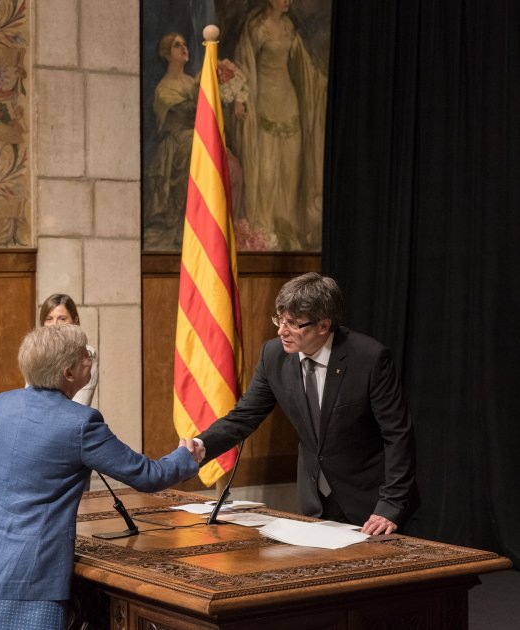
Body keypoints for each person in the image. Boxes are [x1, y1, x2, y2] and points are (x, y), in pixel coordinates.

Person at [0, 325, 203, 630]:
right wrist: (184, 458)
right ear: (68, 373)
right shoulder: (81, 422)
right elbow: (146, 476)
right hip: (31, 576)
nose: (91, 357)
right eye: (85, 353)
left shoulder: (0, 404)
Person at [185, 272, 417, 535]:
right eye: (280, 319)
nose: (281, 331)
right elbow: (243, 416)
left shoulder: (369, 358)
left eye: (293, 324)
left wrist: (390, 505)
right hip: (316, 502)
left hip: (371, 504)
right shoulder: (273, 355)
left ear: (323, 325)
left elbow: (397, 434)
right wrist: (201, 446)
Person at [231, 0, 327, 250]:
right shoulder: (256, 27)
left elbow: (304, 65)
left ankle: (287, 230)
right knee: (266, 171)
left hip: (289, 100)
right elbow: (244, 63)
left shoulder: (288, 26)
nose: (288, 1)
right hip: (264, 101)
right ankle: (266, 231)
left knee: (290, 171)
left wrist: (322, 84)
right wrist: (240, 98)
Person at [144, 32, 198, 250]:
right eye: (177, 45)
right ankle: (183, 230)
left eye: (184, 44)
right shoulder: (164, 88)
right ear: (167, 54)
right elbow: (186, 113)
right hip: (177, 144)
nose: (184, 48)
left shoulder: (192, 82)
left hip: (195, 139)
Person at [39, 293, 98, 406]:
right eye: (49, 319)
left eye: (62, 319)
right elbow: (30, 397)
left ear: (74, 321)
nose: (55, 325)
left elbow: (80, 403)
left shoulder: (86, 354)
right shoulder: (37, 353)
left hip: (69, 415)